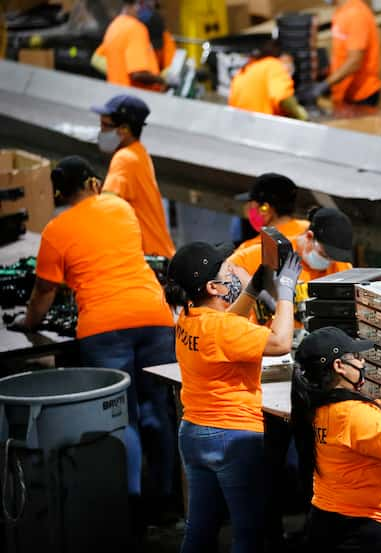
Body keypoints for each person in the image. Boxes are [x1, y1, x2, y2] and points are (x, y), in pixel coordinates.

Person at [8, 155, 176, 520]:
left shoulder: (56, 229)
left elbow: (43, 293)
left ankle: (128, 507)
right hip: (154, 316)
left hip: (104, 328)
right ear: (92, 183)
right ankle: (165, 503)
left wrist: (27, 322)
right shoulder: (119, 207)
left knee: (122, 416)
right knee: (156, 411)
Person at [164, 241, 302, 552]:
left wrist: (252, 290)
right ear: (213, 287)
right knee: (248, 535)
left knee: (200, 529)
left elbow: (229, 325)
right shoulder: (221, 330)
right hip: (234, 439)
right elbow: (280, 342)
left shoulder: (188, 316)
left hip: (195, 433)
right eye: (228, 272)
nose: (233, 275)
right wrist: (286, 294)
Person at [291, 327, 381, 552]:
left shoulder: (317, 405)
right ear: (338, 366)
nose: (362, 362)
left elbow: (376, 421)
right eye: (356, 357)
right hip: (365, 528)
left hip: (330, 518)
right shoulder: (349, 412)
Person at [92, 94, 176, 258]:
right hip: (158, 256)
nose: (101, 131)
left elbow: (106, 211)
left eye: (105, 125)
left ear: (124, 129)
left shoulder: (124, 158)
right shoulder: (138, 153)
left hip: (149, 260)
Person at [228, 206, 353, 285]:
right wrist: (256, 290)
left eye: (332, 258)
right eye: (324, 255)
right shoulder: (269, 252)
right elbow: (227, 269)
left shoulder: (341, 266)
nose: (328, 261)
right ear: (309, 237)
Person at [310, 0, 381, 107]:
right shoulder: (340, 12)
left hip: (361, 95)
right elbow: (341, 52)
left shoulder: (356, 14)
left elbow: (354, 62)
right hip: (344, 93)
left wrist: (326, 84)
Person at [229, 33, 308, 120]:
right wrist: (301, 116)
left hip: (241, 126)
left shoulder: (245, 69)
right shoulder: (272, 65)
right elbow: (282, 96)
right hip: (264, 127)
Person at [91, 0, 166, 90]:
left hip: (117, 95)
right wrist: (163, 80)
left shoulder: (114, 26)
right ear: (136, 4)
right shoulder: (136, 28)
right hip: (136, 98)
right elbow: (138, 74)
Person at [234, 172, 310, 251]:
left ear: (264, 208)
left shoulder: (250, 249)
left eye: (250, 206)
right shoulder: (310, 231)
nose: (248, 213)